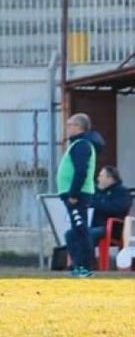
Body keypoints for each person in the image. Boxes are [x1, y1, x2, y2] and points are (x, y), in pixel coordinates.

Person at [57, 113, 106, 278]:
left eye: (70, 124)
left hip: (77, 195)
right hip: (75, 194)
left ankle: (84, 267)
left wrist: (73, 193)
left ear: (78, 127)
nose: (67, 127)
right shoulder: (78, 144)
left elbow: (81, 170)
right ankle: (80, 266)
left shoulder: (82, 145)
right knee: (78, 230)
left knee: (81, 230)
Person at [70, 166, 131, 250]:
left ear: (110, 178)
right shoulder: (98, 192)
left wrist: (97, 204)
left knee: (87, 235)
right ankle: (77, 261)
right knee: (71, 234)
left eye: (101, 176)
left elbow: (118, 208)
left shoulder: (122, 192)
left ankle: (86, 261)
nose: (98, 178)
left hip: (112, 227)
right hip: (94, 225)